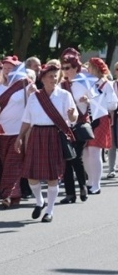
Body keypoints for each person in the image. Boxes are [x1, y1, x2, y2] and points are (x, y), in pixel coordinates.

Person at [15, 63, 77, 222]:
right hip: (36, 135)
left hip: (55, 135)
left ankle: (49, 210)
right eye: (50, 76)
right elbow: (26, 119)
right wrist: (19, 137)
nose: (54, 79)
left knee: (53, 176)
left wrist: (71, 115)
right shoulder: (34, 97)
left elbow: (73, 118)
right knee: (31, 175)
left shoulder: (64, 95)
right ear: (42, 79)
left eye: (56, 76)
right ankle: (39, 201)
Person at [0, 57, 33, 208]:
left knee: (13, 163)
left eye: (11, 68)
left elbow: (34, 101)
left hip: (18, 131)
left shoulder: (25, 84)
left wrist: (32, 91)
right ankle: (14, 193)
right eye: (5, 68)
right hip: (1, 132)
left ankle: (7, 194)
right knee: (5, 163)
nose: (7, 71)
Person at [59, 49, 90, 204]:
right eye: (63, 68)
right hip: (65, 127)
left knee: (76, 157)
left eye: (68, 67)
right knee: (66, 159)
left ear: (76, 68)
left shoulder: (83, 82)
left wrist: (88, 100)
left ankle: (83, 186)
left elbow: (97, 100)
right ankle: (70, 193)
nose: (65, 70)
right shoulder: (60, 85)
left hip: (80, 125)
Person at [83, 57, 117, 194]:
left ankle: (96, 185)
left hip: (100, 119)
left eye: (90, 67)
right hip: (87, 119)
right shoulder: (87, 83)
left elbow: (113, 104)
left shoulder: (106, 84)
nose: (87, 69)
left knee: (94, 151)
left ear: (96, 68)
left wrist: (96, 102)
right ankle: (90, 180)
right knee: (85, 152)